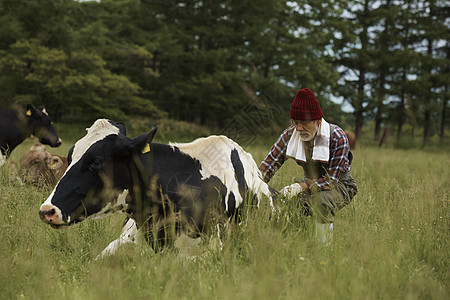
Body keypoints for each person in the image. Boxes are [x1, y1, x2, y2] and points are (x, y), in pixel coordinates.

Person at [259, 88, 357, 244]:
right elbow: (269, 164)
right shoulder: (290, 135)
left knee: (320, 201)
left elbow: (331, 181)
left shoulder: (337, 137)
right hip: (309, 184)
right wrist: (255, 184)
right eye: (295, 122)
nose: (299, 128)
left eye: (304, 123)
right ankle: (291, 242)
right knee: (280, 202)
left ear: (318, 121)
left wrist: (300, 186)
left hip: (339, 185)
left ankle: (324, 247)